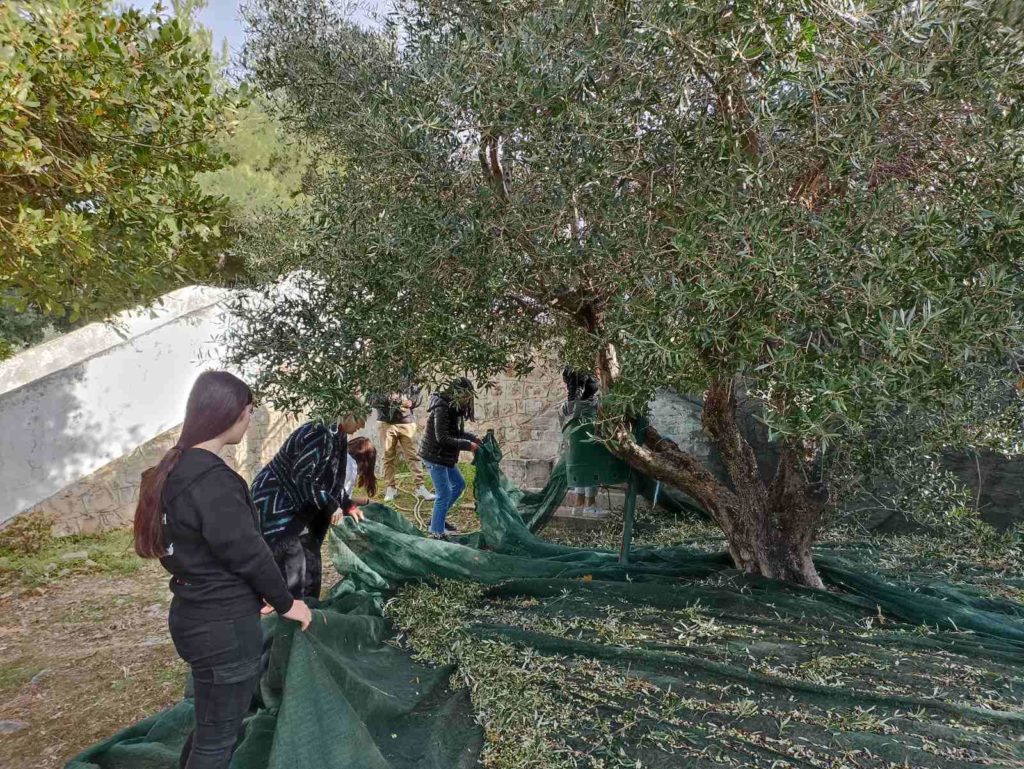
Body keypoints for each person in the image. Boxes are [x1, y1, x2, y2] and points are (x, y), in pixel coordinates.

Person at [133, 371, 312, 769]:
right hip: (223, 629)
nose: (249, 419)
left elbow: (213, 553)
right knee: (218, 739)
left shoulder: (171, 471)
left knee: (210, 723)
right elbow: (249, 552)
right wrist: (287, 603)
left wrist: (254, 595)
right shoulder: (213, 481)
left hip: (194, 613)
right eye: (248, 411)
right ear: (228, 414)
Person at [252, 413, 367, 601]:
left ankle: (307, 613)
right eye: (360, 417)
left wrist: (348, 505)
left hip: (303, 508)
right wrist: (330, 505)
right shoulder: (318, 433)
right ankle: (282, 620)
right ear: (344, 411)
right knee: (291, 572)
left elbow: (333, 479)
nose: (362, 424)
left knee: (310, 570)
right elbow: (301, 477)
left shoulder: (338, 435)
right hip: (280, 505)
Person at [418, 377, 479, 540]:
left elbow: (456, 434)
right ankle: (436, 532)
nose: (468, 399)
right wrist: (468, 445)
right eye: (466, 395)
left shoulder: (456, 409)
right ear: (457, 393)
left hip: (445, 456)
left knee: (459, 484)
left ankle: (436, 520)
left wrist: (474, 439)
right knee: (444, 493)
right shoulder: (442, 407)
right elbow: (442, 438)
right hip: (434, 456)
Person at [370, 380, 435, 503]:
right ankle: (391, 488)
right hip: (386, 422)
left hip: (407, 422)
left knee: (413, 456)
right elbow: (372, 399)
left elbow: (417, 395)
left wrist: (412, 402)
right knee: (388, 456)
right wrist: (388, 398)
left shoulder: (407, 375)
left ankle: (420, 487)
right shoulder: (379, 375)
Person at [561, 367, 602, 515]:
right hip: (588, 433)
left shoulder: (567, 406)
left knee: (580, 467)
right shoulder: (592, 402)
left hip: (574, 437)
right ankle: (590, 505)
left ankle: (578, 505)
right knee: (592, 468)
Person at [333, 436, 378, 518]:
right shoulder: (351, 466)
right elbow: (339, 501)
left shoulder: (340, 456)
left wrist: (367, 502)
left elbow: (343, 496)